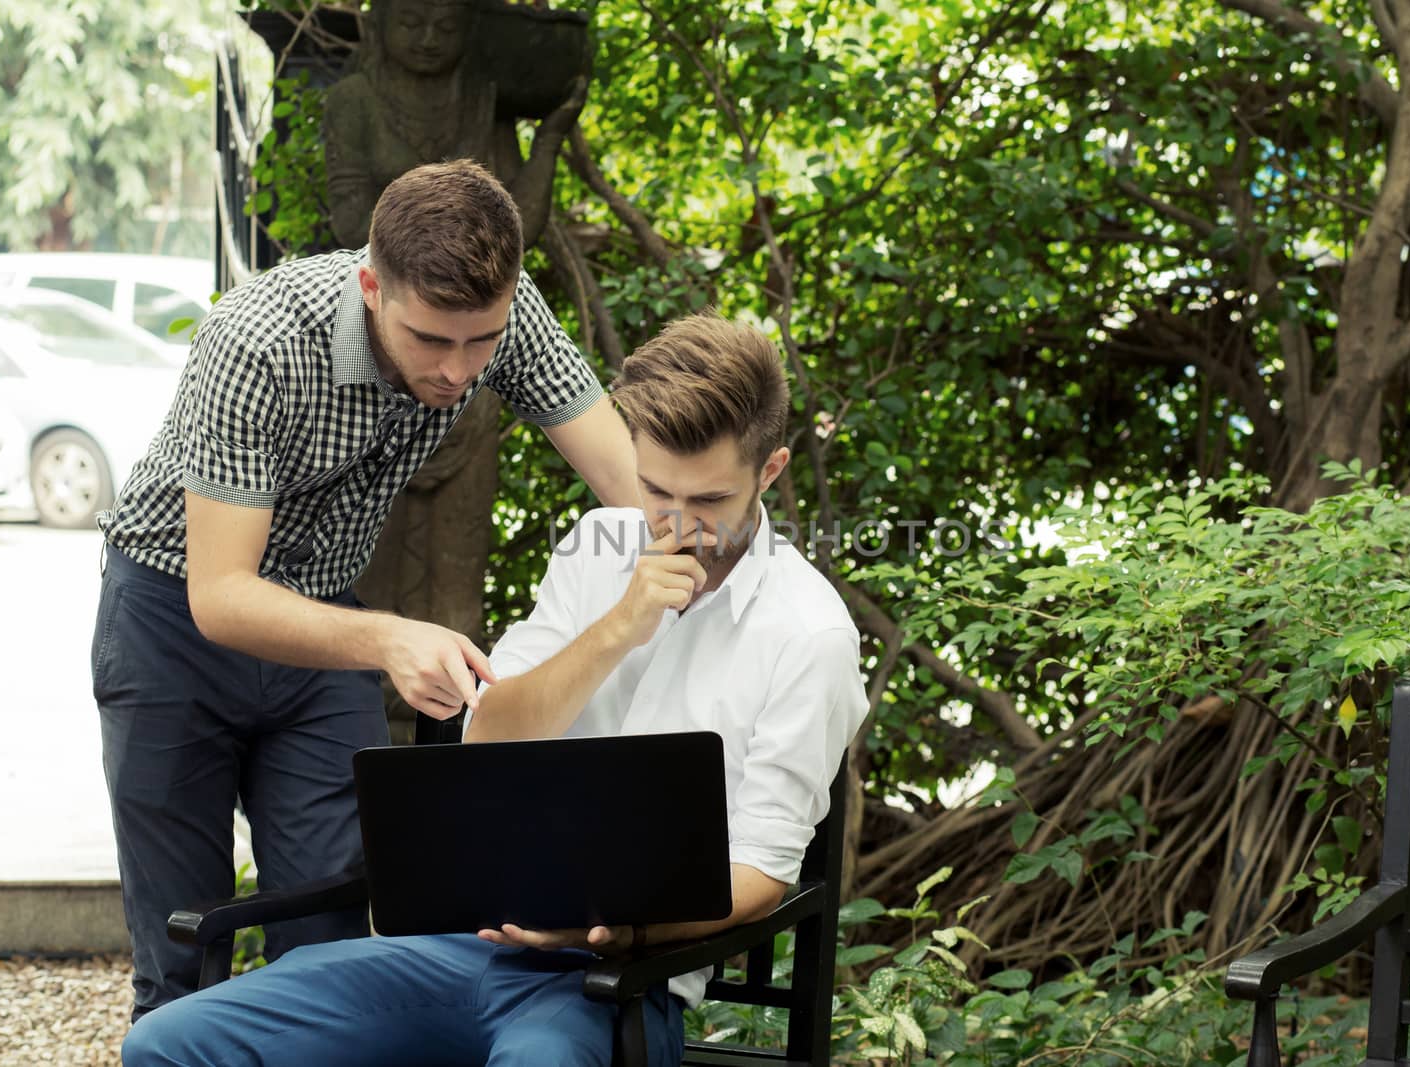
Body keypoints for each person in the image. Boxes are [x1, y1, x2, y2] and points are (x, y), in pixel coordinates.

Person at [119, 312, 869, 1067]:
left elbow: (763, 877)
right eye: (654, 488)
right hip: (454, 948)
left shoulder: (809, 635)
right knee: (167, 1044)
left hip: (616, 982)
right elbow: (491, 735)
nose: (674, 523)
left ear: (768, 471)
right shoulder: (596, 550)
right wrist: (617, 628)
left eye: (706, 500)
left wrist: (600, 932)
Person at [94, 159, 638, 1020]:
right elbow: (222, 593)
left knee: (337, 946)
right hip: (172, 624)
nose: (460, 371)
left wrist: (733, 555)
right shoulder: (258, 340)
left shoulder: (503, 313)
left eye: (481, 342)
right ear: (372, 286)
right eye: (432, 340)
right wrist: (391, 640)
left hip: (322, 631)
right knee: (182, 955)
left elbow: (634, 477)